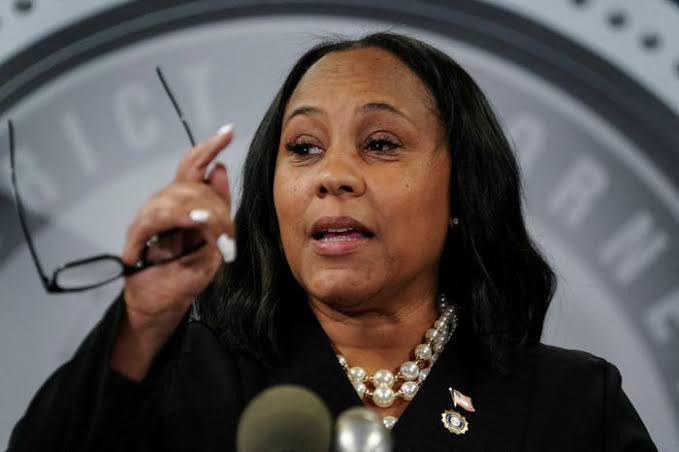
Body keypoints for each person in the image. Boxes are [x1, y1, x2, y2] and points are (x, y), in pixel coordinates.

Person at [8, 32, 656, 451]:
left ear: (461, 191)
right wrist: (145, 320)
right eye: (303, 148)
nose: (332, 175)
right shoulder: (181, 377)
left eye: (380, 143)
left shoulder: (572, 404)